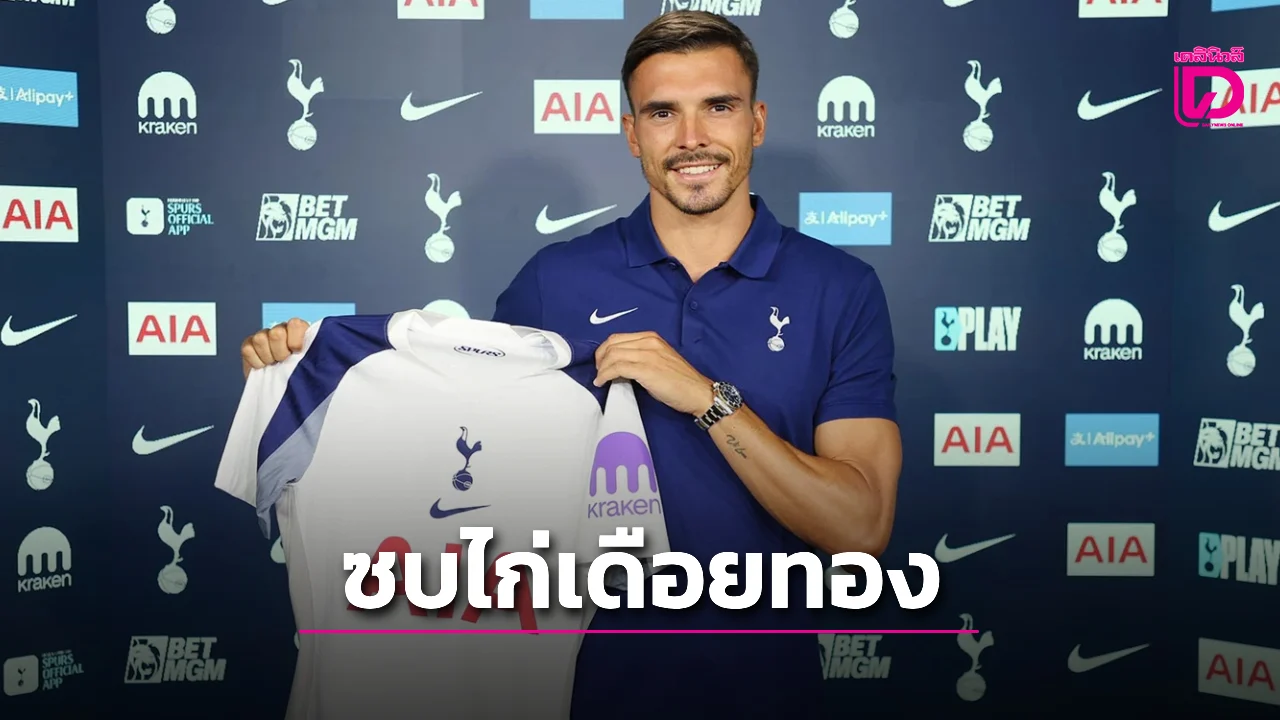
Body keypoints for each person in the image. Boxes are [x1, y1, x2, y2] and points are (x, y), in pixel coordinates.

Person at [240, 10, 901, 718]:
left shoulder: (840, 289)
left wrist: (706, 399)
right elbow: (461, 455)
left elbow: (860, 528)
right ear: (631, 133)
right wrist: (304, 375)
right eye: (662, 113)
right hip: (575, 694)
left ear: (757, 122)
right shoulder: (552, 281)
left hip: (763, 692)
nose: (691, 137)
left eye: (718, 106)